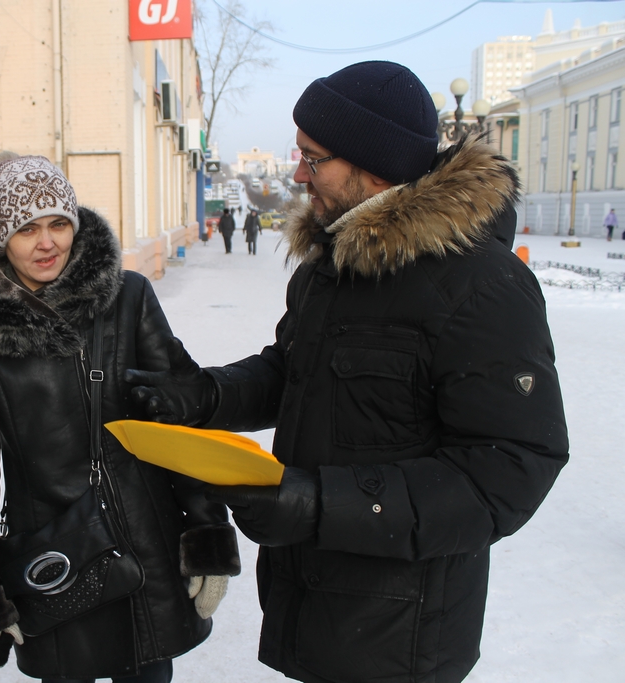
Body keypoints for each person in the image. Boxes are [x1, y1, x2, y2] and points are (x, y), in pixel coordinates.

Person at [126, 61, 569, 683]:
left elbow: (509, 469)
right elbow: (294, 372)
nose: (300, 174)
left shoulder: (481, 284)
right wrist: (202, 397)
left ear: (372, 161)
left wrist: (317, 505)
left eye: (314, 159)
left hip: (404, 632)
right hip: (318, 603)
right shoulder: (331, 264)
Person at [0, 154, 240, 683]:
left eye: (58, 222)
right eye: (27, 228)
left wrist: (208, 532)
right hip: (53, 556)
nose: (47, 242)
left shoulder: (127, 298)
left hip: (143, 542)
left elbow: (180, 419)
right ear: (0, 237)